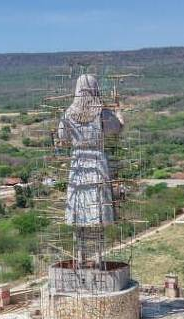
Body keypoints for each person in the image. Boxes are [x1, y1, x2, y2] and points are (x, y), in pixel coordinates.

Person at [56, 73, 124, 264]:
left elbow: (62, 137)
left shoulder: (68, 113)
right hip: (97, 160)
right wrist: (118, 108)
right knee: (98, 211)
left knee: (79, 209)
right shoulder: (101, 112)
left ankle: (79, 257)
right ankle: (100, 258)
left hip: (78, 161)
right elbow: (117, 129)